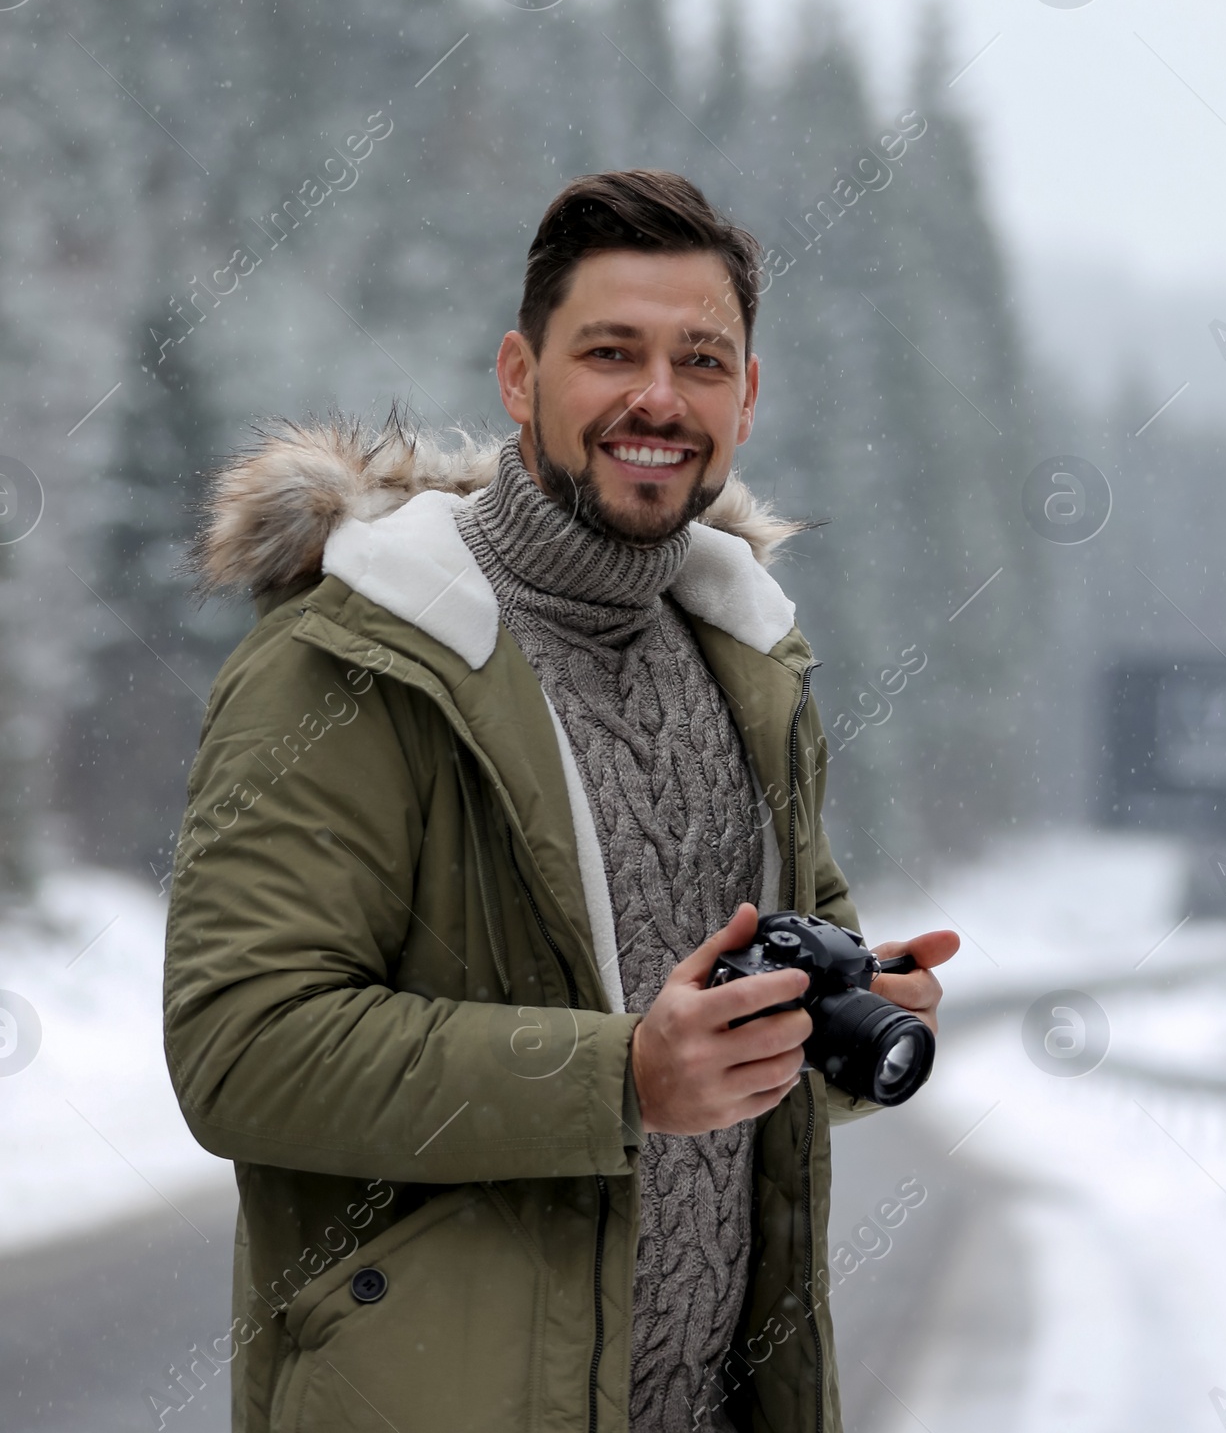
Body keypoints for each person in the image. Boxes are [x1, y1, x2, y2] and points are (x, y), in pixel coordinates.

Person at [164, 168, 957, 1433]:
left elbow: (778, 986)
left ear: (745, 399)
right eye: (611, 352)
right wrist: (619, 1080)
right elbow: (242, 1050)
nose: (659, 397)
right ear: (521, 378)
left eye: (701, 358)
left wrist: (856, 1013)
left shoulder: (743, 662)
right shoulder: (359, 658)